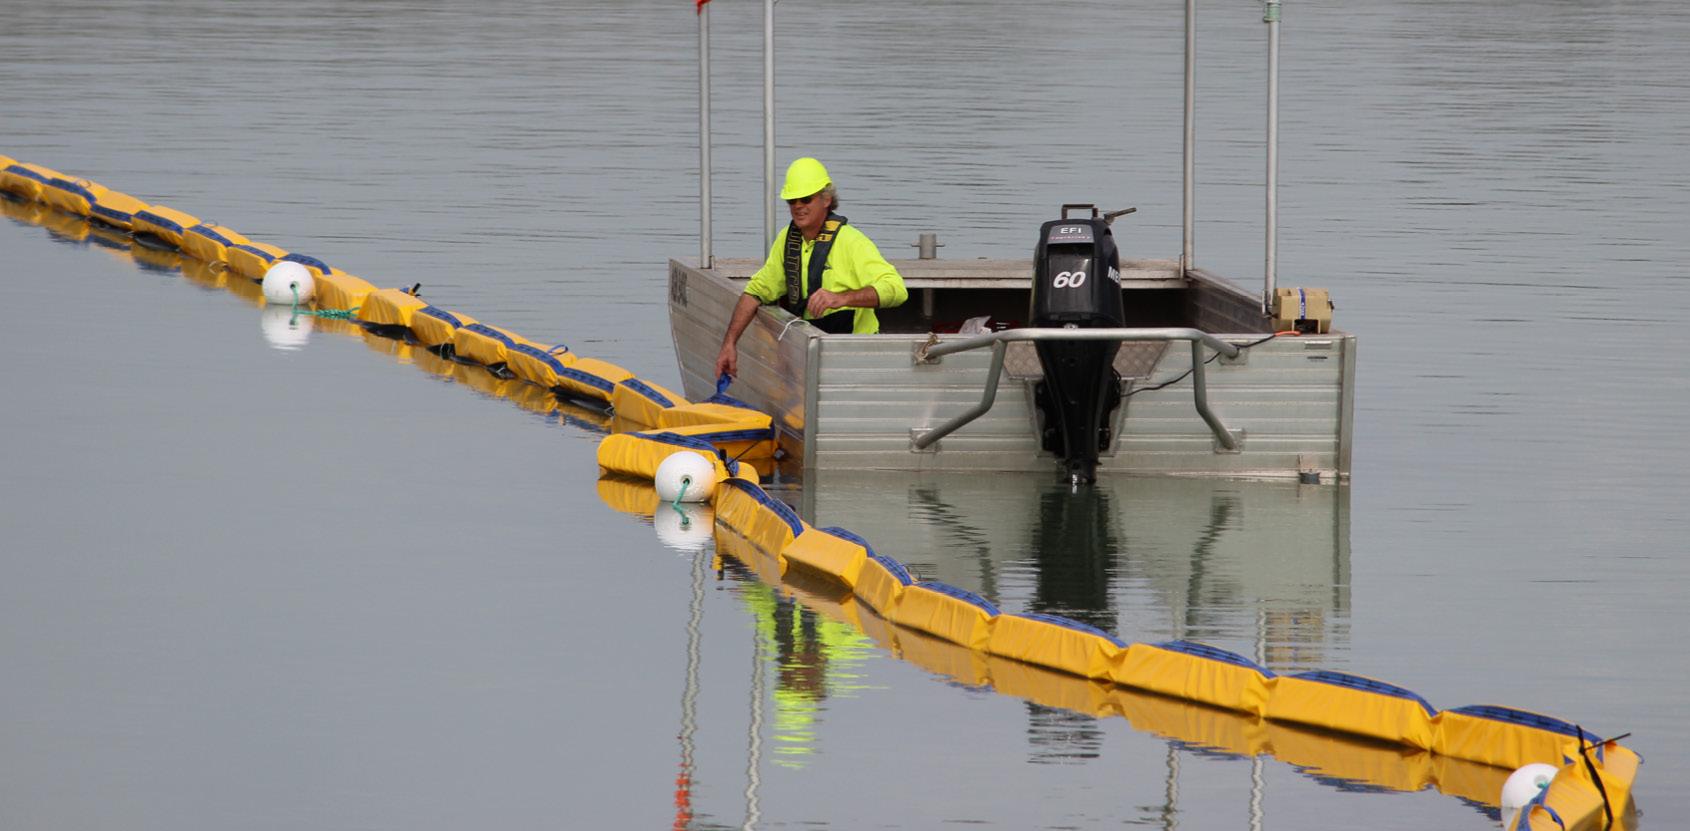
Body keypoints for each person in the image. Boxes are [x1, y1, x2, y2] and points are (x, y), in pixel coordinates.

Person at [714, 157, 907, 378]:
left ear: (826, 200)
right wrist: (729, 344)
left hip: (856, 355)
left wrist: (842, 298)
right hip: (810, 354)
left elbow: (896, 289)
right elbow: (756, 291)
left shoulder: (852, 242)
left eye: (805, 199)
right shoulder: (787, 240)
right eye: (792, 201)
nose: (798, 207)